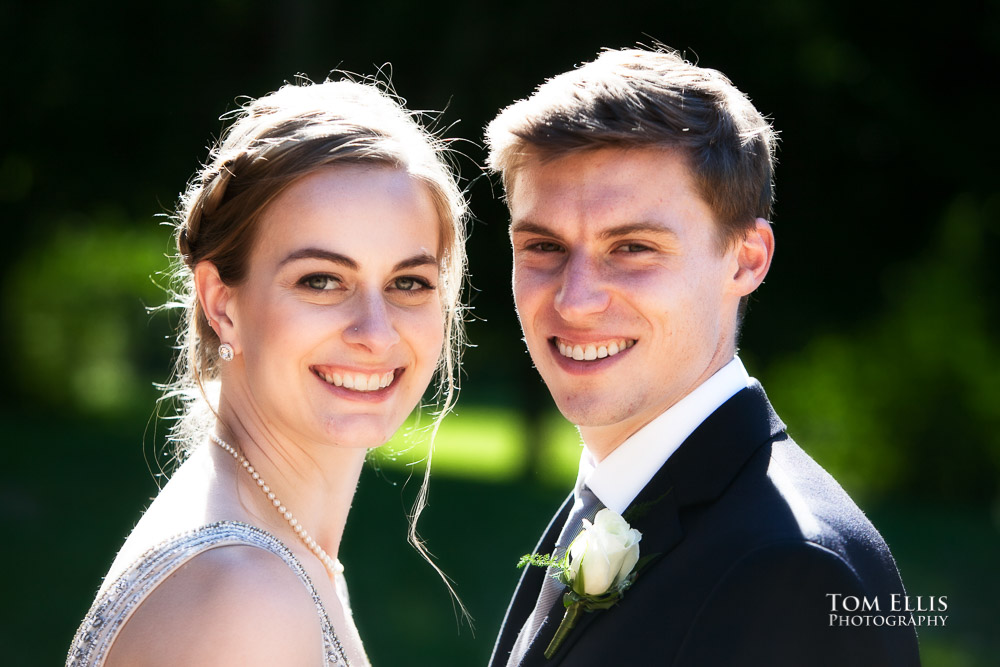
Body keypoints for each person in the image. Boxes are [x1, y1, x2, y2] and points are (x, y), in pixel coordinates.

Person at [485, 47, 921, 666]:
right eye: (544, 245)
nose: (575, 300)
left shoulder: (792, 570)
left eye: (632, 247)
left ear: (746, 258)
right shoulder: (614, 498)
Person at [67, 77, 467, 666]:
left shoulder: (283, 558)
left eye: (408, 283)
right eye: (321, 281)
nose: (376, 332)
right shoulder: (244, 598)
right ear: (222, 303)